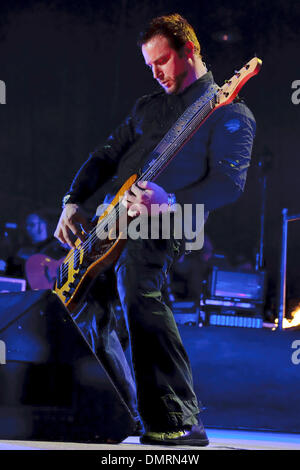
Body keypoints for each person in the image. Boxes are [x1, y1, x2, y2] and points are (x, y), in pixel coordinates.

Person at [54, 13, 256, 446]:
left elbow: (228, 185)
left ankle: (180, 419)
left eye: (162, 61)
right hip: (112, 217)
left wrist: (171, 203)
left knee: (137, 277)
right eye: (149, 66)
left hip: (174, 220)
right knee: (89, 308)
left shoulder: (229, 111)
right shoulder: (147, 107)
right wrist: (72, 201)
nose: (156, 72)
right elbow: (105, 155)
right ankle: (117, 411)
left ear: (189, 51)